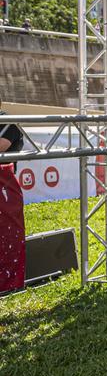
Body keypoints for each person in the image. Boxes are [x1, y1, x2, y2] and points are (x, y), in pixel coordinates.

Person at [0, 100, 26, 294]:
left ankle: (8, 283)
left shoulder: (8, 122)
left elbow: (1, 146)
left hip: (5, 190)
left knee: (8, 236)